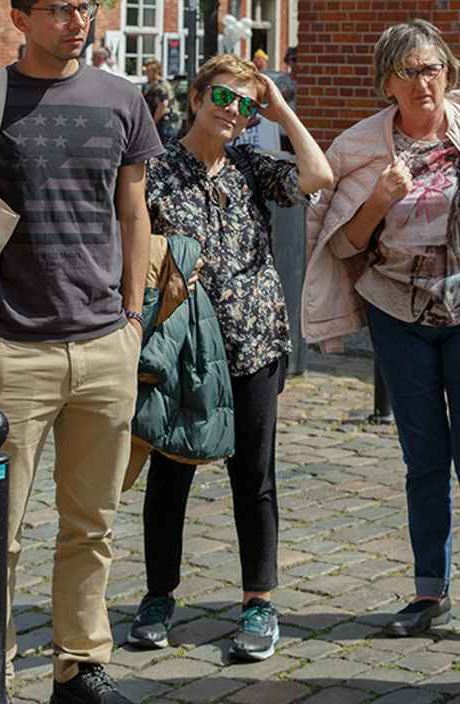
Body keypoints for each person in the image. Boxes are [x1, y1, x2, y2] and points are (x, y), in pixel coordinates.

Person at [0, 0, 161, 704]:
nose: (76, 21)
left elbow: (134, 213)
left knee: (92, 523)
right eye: (58, 9)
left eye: (83, 6)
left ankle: (80, 666)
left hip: (104, 343)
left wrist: (133, 317)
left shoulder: (122, 99)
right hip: (13, 347)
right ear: (20, 17)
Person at [303, 20, 460, 656]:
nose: (424, 82)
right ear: (387, 83)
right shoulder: (361, 148)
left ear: (449, 72)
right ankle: (429, 593)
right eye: (409, 71)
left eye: (433, 68)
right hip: (399, 317)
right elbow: (342, 244)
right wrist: (378, 199)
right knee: (424, 459)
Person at [129, 54, 333, 661]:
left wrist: (280, 109)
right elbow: (131, 244)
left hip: (254, 343)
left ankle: (259, 602)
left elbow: (318, 176)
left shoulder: (251, 165)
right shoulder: (156, 169)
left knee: (255, 475)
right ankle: (159, 597)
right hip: (186, 346)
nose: (232, 110)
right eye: (222, 96)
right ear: (196, 97)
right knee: (171, 471)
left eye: (244, 104)